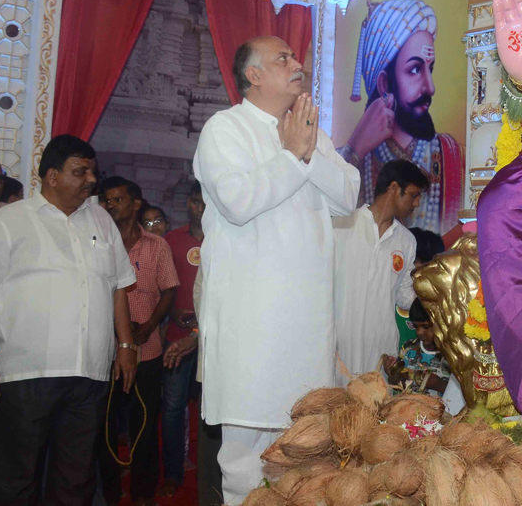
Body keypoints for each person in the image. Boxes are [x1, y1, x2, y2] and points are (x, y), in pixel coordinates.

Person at [194, 35, 360, 504]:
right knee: (246, 465)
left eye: (295, 56)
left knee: (307, 455)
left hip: (308, 326)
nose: (297, 64)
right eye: (282, 58)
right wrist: (290, 155)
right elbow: (238, 202)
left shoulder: (310, 132)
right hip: (252, 328)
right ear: (254, 76)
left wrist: (305, 151)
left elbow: (347, 196)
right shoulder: (225, 128)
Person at [0, 134, 138, 506]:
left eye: (92, 171)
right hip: (25, 375)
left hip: (89, 374)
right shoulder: (10, 220)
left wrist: (125, 345)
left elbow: (118, 286)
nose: (91, 179)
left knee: (75, 480)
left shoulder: (102, 220)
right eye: (80, 171)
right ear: (52, 176)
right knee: (15, 480)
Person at [339, 0, 463, 235]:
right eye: (415, 69)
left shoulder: (455, 157)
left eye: (430, 69)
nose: (430, 87)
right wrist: (355, 149)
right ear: (384, 84)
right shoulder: (347, 161)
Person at [96, 176, 178, 506]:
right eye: (106, 200)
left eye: (117, 200)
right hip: (105, 351)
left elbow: (169, 289)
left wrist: (150, 325)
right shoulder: (98, 241)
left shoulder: (156, 245)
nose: (110, 205)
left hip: (147, 349)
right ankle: (109, 492)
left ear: (136, 204)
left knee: (143, 425)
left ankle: (143, 493)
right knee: (104, 427)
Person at [332, 159, 426, 383]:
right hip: (340, 341)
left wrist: (432, 296)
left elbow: (404, 296)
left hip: (380, 345)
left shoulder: (406, 240)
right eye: (413, 195)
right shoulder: (343, 224)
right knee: (337, 400)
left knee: (377, 401)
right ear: (394, 188)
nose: (416, 203)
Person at [160, 181, 205, 498]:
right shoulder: (172, 240)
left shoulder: (224, 239)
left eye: (204, 202)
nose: (199, 208)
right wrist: (170, 311)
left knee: (210, 409)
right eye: (194, 201)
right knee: (173, 407)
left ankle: (210, 471)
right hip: (177, 336)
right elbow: (162, 286)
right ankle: (174, 472)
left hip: (212, 340)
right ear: (187, 202)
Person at [382, 298, 465, 415]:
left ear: (442, 324)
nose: (419, 332)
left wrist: (439, 385)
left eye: (425, 327)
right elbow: (398, 384)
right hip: (407, 414)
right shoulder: (409, 348)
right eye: (416, 326)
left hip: (440, 417)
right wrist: (392, 374)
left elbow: (463, 395)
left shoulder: (452, 356)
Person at [395, 226, 445, 345]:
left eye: (423, 262)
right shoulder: (391, 292)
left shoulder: (441, 300)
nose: (418, 268)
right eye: (414, 262)